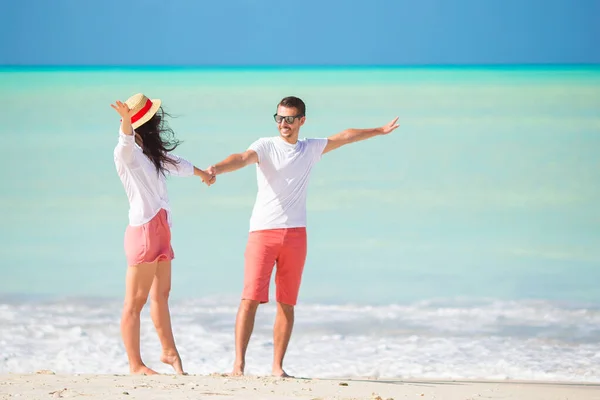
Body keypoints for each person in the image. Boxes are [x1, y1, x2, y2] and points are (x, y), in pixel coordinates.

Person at [206, 96, 399, 377]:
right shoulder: (265, 145)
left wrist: (378, 131)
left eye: (290, 119)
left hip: (296, 235)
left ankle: (277, 367)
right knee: (249, 298)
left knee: (287, 301)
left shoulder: (310, 148)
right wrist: (217, 169)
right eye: (280, 118)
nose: (283, 124)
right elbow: (242, 158)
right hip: (262, 232)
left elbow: (345, 136)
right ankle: (238, 365)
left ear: (302, 121)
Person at [111, 93, 215, 375]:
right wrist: (125, 122)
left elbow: (177, 164)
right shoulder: (128, 154)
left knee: (161, 296)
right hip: (143, 231)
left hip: (162, 230)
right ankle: (136, 365)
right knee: (135, 302)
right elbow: (124, 143)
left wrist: (202, 173)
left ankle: (169, 352)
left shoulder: (151, 154)